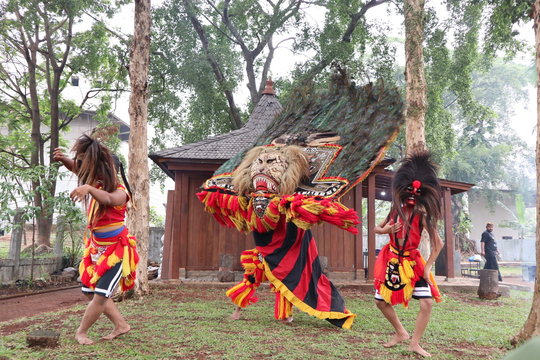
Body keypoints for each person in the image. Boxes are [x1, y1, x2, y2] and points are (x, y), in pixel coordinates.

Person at [54, 134, 139, 345]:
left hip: (116, 251)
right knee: (89, 291)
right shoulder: (95, 184)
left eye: (99, 171)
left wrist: (89, 188)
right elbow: (78, 169)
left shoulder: (120, 192)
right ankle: (121, 325)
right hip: (95, 250)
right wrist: (64, 159)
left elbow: (109, 200)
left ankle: (81, 332)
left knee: (100, 294)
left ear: (111, 171)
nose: (93, 176)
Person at [373, 151, 444, 358]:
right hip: (393, 260)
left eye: (416, 192)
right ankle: (401, 333)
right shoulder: (394, 211)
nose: (412, 195)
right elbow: (376, 228)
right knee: (380, 301)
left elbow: (438, 244)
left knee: (427, 302)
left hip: (413, 263)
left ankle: (415, 343)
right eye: (409, 191)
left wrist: (428, 267)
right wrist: (385, 231)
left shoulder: (422, 217)